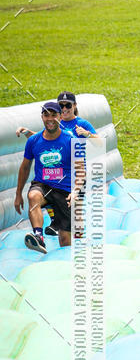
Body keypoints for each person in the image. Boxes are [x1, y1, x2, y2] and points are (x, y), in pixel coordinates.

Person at [14, 101, 84, 253]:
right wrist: (18, 194)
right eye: (46, 115)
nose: (50, 119)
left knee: (66, 240)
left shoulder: (71, 140)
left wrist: (76, 191)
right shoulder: (34, 141)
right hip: (43, 185)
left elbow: (81, 170)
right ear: (42, 117)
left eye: (54, 115)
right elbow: (25, 167)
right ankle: (38, 237)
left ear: (60, 116)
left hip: (65, 190)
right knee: (33, 195)